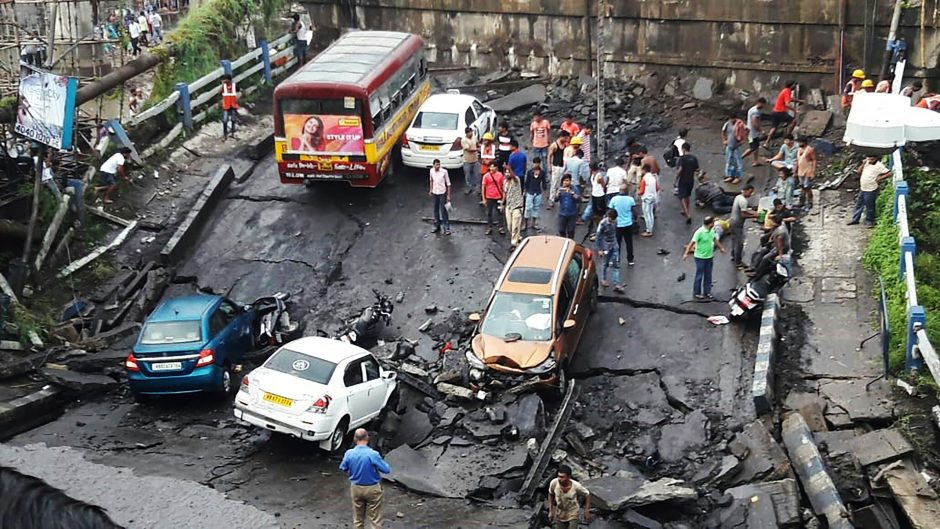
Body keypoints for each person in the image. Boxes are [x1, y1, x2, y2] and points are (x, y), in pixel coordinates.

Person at [339, 428, 390, 529]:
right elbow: (386, 469)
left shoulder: (349, 453)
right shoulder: (373, 454)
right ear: (367, 438)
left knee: (358, 519)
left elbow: (342, 467)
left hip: (356, 488)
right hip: (372, 488)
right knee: (375, 519)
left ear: (355, 439)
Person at [682, 216, 725, 300]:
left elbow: (715, 239)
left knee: (708, 274)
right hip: (700, 257)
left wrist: (721, 248)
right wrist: (686, 253)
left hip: (709, 256)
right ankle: (697, 292)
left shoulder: (711, 231)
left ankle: (707, 292)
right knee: (699, 275)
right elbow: (691, 243)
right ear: (710, 224)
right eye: (713, 222)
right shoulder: (699, 232)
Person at [848, 155, 892, 227]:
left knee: (870, 206)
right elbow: (859, 172)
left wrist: (880, 178)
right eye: (869, 157)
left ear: (876, 158)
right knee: (859, 204)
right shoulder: (866, 163)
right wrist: (863, 164)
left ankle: (870, 221)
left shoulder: (879, 165)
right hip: (863, 188)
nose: (871, 159)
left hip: (871, 189)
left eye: (872, 157)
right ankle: (855, 219)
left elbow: (889, 173)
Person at [547, 464, 592, 529]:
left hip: (573, 512)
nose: (560, 479)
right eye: (559, 476)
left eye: (562, 477)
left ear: (568, 477)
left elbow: (587, 494)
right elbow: (551, 494)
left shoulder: (576, 486)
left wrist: (587, 510)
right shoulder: (554, 483)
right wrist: (550, 511)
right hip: (560, 512)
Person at [764, 81, 802, 148]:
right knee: (793, 121)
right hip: (780, 112)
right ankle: (787, 138)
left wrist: (798, 101)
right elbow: (787, 104)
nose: (794, 87)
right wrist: (795, 110)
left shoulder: (784, 90)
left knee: (774, 128)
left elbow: (789, 99)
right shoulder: (788, 91)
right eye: (794, 86)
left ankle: (766, 143)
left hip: (775, 111)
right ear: (791, 85)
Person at [608, 183, 637, 266]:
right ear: (627, 191)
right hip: (628, 224)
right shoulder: (630, 199)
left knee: (617, 243)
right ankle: (630, 259)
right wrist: (635, 219)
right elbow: (634, 212)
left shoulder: (614, 199)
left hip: (618, 225)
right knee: (629, 242)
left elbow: (610, 211)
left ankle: (617, 260)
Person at [729, 185, 757, 269]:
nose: (750, 194)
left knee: (734, 240)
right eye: (750, 192)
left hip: (732, 221)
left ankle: (733, 255)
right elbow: (743, 214)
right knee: (739, 243)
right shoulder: (743, 201)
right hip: (738, 224)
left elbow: (744, 210)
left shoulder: (738, 197)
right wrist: (754, 216)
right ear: (746, 190)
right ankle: (738, 262)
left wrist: (752, 212)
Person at [595, 209, 621, 292]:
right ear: (608, 217)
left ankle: (616, 283)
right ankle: (604, 279)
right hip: (606, 246)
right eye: (612, 220)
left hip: (614, 245)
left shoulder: (615, 221)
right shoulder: (602, 224)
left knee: (616, 264)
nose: (613, 221)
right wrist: (600, 249)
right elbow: (598, 237)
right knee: (605, 263)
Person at [674, 143, 699, 223]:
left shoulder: (682, 159)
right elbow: (696, 169)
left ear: (683, 149)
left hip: (683, 180)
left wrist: (675, 180)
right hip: (691, 180)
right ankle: (686, 209)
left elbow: (680, 170)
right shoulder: (694, 158)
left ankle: (687, 214)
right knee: (687, 195)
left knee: (681, 197)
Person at [721, 112, 747, 184]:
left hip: (736, 146)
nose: (732, 120)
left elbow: (746, 130)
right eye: (731, 119)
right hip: (729, 145)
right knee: (729, 161)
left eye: (733, 119)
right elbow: (723, 132)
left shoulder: (740, 124)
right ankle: (730, 175)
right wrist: (724, 141)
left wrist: (743, 140)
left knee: (738, 162)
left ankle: (738, 177)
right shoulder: (727, 124)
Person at [524, 157, 548, 232]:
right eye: (535, 163)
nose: (536, 164)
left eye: (537, 163)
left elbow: (544, 183)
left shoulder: (542, 173)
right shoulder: (529, 172)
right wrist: (525, 191)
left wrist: (545, 192)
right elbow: (527, 182)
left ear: (539, 163)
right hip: (530, 192)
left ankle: (533, 224)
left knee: (536, 208)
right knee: (528, 208)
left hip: (538, 192)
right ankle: (525, 224)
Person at [482, 161, 506, 235]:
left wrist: (503, 197)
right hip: (489, 197)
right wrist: (484, 199)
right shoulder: (486, 176)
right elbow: (483, 187)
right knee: (489, 213)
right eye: (491, 166)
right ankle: (489, 227)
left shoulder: (500, 175)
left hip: (498, 196)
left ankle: (501, 227)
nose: (492, 168)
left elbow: (503, 186)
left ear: (496, 167)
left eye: (493, 166)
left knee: (500, 212)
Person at [428, 159, 451, 236]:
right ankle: (436, 225)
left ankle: (446, 227)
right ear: (433, 165)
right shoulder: (431, 171)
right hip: (435, 192)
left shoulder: (444, 172)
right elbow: (431, 180)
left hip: (442, 193)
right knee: (435, 209)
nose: (437, 166)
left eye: (439, 165)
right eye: (436, 165)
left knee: (443, 210)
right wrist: (431, 190)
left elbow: (448, 184)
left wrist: (448, 195)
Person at [546, 133, 569, 209]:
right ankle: (551, 199)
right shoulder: (554, 145)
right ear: (561, 137)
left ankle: (558, 197)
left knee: (560, 183)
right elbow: (549, 155)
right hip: (556, 166)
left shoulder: (565, 145)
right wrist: (549, 166)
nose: (566, 140)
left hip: (563, 166)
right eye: (565, 138)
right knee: (554, 183)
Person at [503, 166, 524, 247]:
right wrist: (502, 203)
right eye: (506, 172)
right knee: (509, 226)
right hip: (509, 206)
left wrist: (508, 167)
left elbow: (513, 176)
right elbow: (505, 192)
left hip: (517, 206)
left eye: (509, 172)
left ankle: (514, 243)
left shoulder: (516, 180)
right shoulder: (505, 182)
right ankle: (517, 236)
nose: (507, 174)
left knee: (515, 225)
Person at [741, 98, 766, 167]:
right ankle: (740, 158)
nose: (763, 106)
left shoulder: (752, 109)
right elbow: (754, 123)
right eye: (762, 104)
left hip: (750, 132)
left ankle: (755, 160)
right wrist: (761, 131)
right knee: (752, 148)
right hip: (752, 134)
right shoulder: (756, 112)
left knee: (756, 146)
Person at [638, 164, 660, 237]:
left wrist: (638, 193)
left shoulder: (644, 179)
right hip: (653, 197)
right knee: (650, 214)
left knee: (647, 214)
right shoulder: (653, 178)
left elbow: (641, 191)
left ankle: (649, 230)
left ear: (644, 170)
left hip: (646, 198)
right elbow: (657, 188)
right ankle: (650, 228)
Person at [555, 174, 580, 239]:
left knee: (570, 231)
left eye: (567, 181)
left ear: (570, 181)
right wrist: (557, 193)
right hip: (562, 213)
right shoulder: (560, 189)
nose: (566, 182)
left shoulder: (575, 189)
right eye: (564, 181)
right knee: (561, 230)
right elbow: (555, 199)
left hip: (572, 214)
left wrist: (572, 193)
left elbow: (578, 199)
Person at [585, 162, 607, 237]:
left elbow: (604, 185)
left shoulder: (599, 176)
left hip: (600, 196)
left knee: (600, 214)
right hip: (595, 195)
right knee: (596, 214)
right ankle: (598, 229)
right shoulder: (593, 174)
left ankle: (601, 230)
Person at [796, 137, 817, 209]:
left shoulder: (809, 150)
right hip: (800, 171)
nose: (799, 144)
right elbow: (797, 161)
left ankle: (810, 202)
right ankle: (801, 201)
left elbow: (814, 160)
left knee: (807, 188)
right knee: (802, 187)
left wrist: (812, 172)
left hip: (807, 171)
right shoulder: (799, 150)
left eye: (800, 142)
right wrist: (795, 171)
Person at [461, 127, 480, 195]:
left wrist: (480, 146)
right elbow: (469, 150)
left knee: (477, 174)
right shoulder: (464, 140)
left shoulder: (474, 137)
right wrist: (477, 149)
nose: (471, 134)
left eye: (471, 132)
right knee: (468, 175)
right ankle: (469, 188)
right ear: (466, 133)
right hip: (467, 160)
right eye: (469, 133)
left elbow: (477, 143)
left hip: (475, 159)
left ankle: (478, 189)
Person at [221, 74, 239, 141]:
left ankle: (232, 133)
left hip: (233, 105)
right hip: (226, 106)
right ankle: (225, 135)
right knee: (225, 120)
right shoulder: (224, 87)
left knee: (233, 120)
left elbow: (240, 90)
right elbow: (219, 92)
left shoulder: (234, 86)